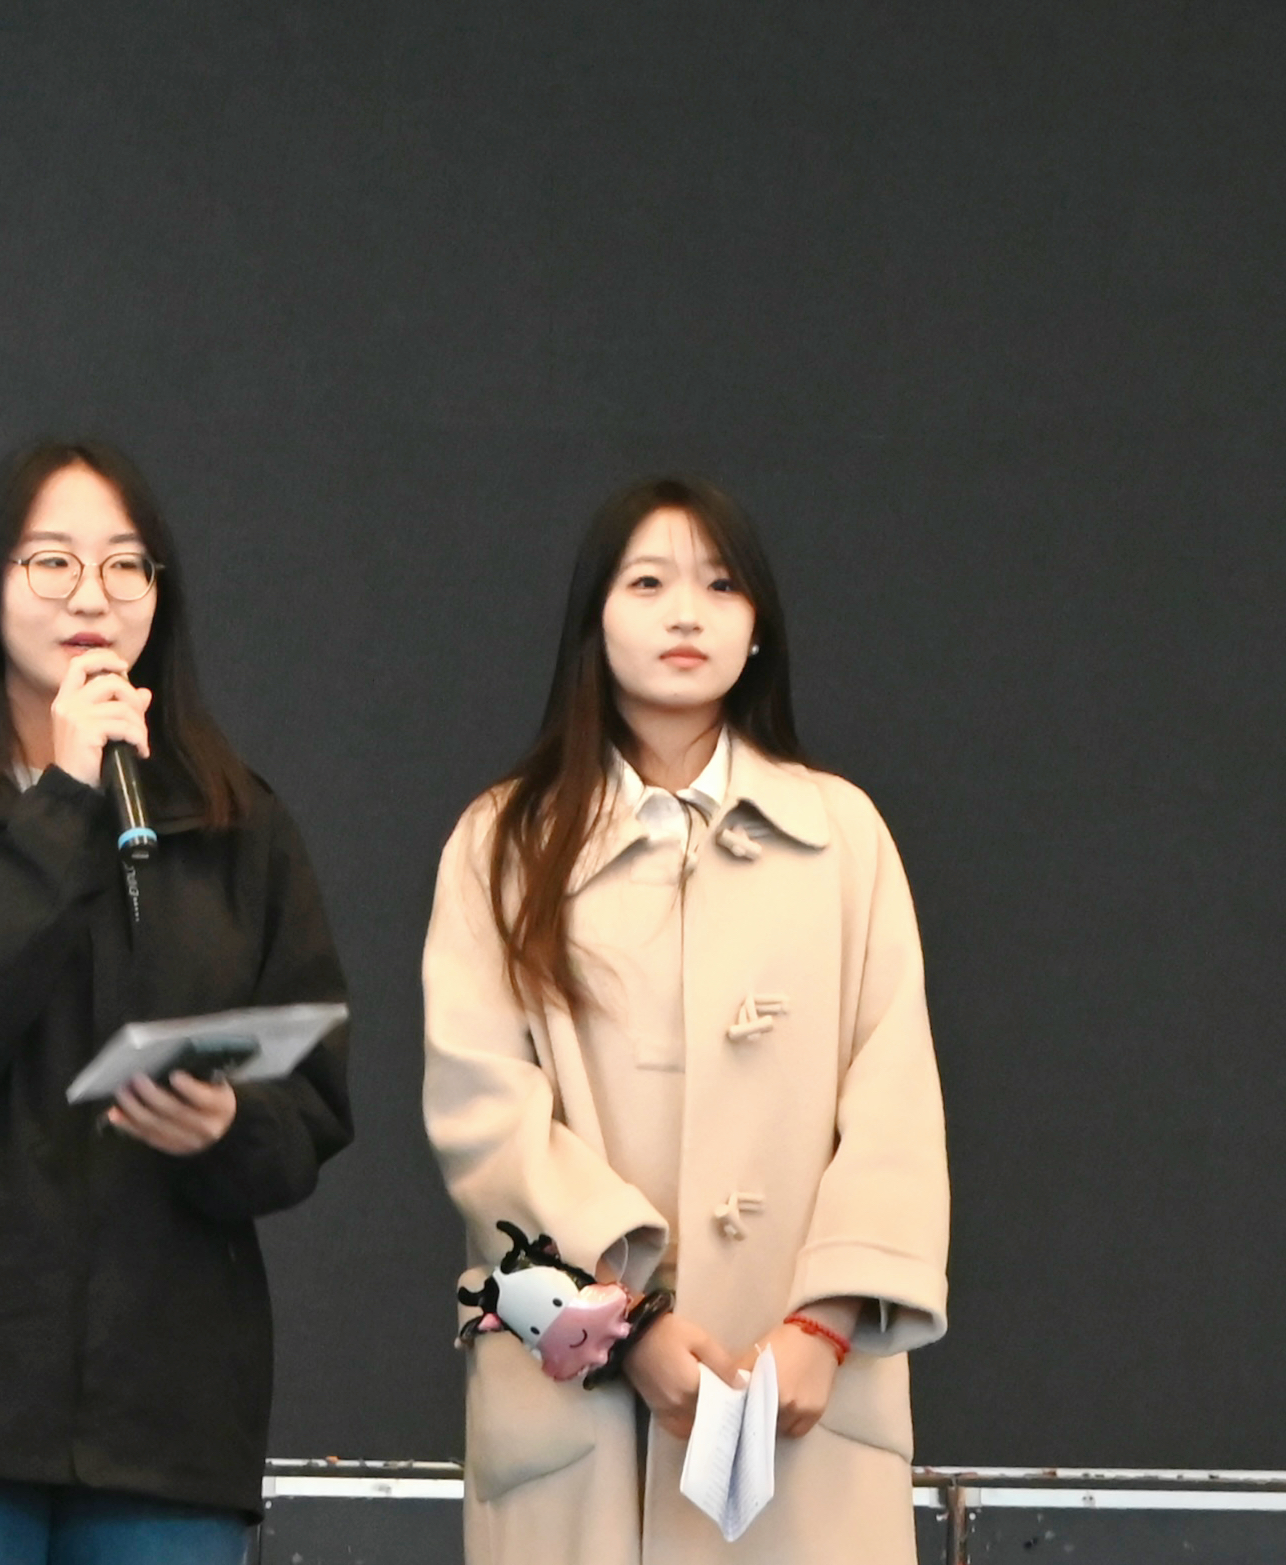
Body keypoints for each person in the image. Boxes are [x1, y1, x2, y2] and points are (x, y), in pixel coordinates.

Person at [0, 437, 352, 1564]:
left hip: (169, 1403)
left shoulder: (236, 821)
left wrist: (228, 1123)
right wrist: (64, 793)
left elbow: (311, 1106)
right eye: (51, 561)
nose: (92, 597)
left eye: (124, 565)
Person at [421, 476, 948, 1563]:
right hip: (582, 1416)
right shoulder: (500, 844)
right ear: (593, 619)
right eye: (647, 583)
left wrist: (822, 1326)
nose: (685, 614)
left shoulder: (843, 837)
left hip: (798, 1399)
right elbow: (483, 1118)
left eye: (719, 585)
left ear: (758, 629)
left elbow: (894, 1104)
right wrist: (628, 1324)